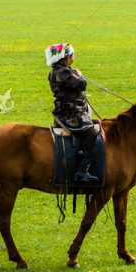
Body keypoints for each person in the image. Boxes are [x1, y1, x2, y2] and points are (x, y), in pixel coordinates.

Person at [45, 43, 98, 183]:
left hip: (68, 110)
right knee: (91, 133)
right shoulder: (63, 73)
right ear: (67, 57)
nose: (74, 57)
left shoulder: (57, 71)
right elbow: (82, 85)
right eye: (72, 55)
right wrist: (80, 76)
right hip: (71, 113)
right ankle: (81, 171)